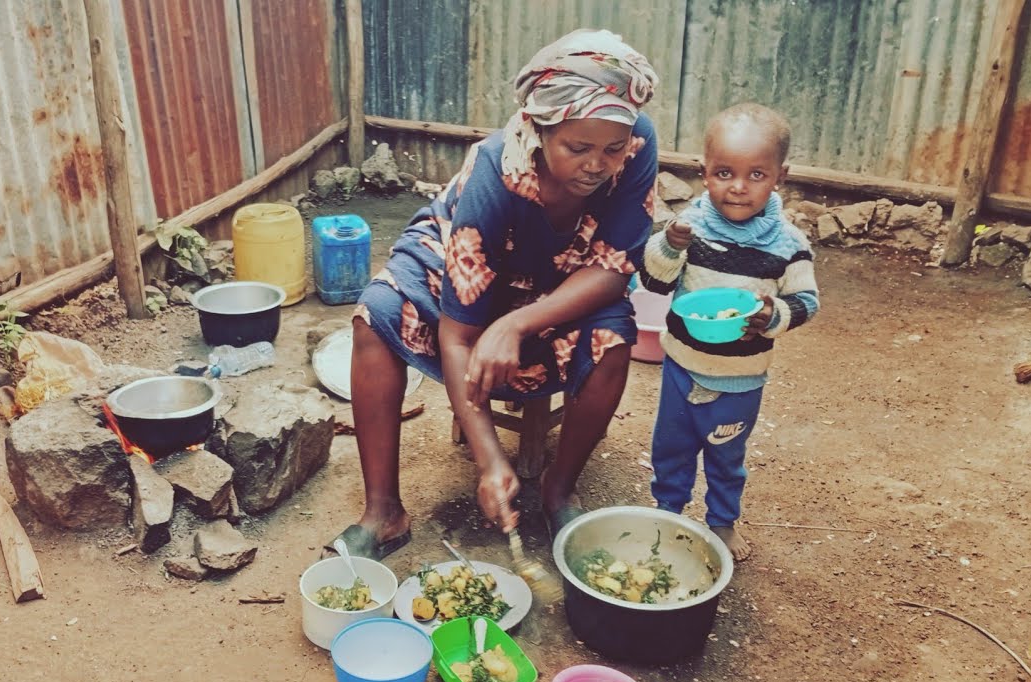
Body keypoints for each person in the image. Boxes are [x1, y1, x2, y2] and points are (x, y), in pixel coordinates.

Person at [325, 29, 661, 561]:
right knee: (377, 313)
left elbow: (614, 268)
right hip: (460, 261)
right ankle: (383, 511)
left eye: (612, 149)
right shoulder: (495, 169)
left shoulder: (637, 143)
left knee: (612, 338)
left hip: (564, 277)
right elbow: (457, 334)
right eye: (578, 148)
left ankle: (557, 489)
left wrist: (515, 325)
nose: (598, 164)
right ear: (538, 129)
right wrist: (490, 461)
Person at [638, 103, 820, 561]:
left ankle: (721, 521)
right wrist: (668, 246)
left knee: (726, 456)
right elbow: (655, 282)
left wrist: (773, 314)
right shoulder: (689, 228)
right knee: (672, 448)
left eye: (756, 175)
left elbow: (806, 302)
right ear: (704, 172)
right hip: (681, 367)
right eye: (724, 172)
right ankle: (668, 511)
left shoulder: (788, 245)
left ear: (780, 175)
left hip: (741, 378)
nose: (738, 187)